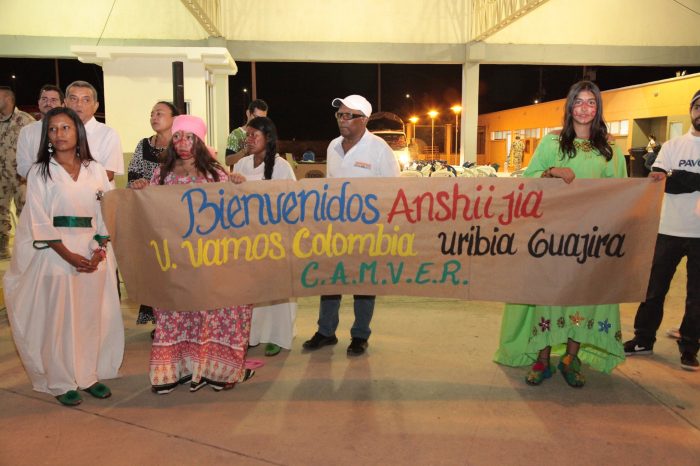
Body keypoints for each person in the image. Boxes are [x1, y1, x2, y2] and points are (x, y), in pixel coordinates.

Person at [493, 81, 628, 387]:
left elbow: (621, 190)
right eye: (578, 102)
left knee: (581, 296)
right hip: (552, 238)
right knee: (548, 296)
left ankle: (571, 358)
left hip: (590, 240)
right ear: (569, 107)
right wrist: (552, 172)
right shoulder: (551, 144)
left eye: (591, 103)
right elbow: (528, 181)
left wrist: (654, 182)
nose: (584, 108)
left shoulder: (609, 148)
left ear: (598, 108)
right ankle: (542, 360)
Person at [2, 107, 124, 406]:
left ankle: (87, 376)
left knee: (88, 317)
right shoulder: (40, 171)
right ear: (47, 136)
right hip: (56, 253)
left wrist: (98, 249)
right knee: (58, 319)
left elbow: (107, 209)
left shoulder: (95, 169)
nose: (59, 134)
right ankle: (59, 380)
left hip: (91, 250)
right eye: (53, 129)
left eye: (66, 128)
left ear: (77, 132)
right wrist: (68, 255)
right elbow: (38, 219)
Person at [131, 115, 255, 393]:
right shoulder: (161, 174)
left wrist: (237, 186)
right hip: (174, 262)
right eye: (177, 136)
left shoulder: (215, 173)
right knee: (176, 314)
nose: (182, 142)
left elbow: (233, 214)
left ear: (199, 141)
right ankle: (175, 372)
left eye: (189, 137)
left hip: (208, 262)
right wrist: (140, 191)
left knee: (210, 315)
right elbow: (149, 212)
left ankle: (216, 371)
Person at [302, 94, 401, 356]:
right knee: (330, 282)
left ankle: (359, 335)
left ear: (364, 119)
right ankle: (326, 332)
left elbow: (395, 192)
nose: (343, 120)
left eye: (349, 115)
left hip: (368, 232)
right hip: (334, 229)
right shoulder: (333, 147)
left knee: (364, 284)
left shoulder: (379, 149)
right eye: (340, 115)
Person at [623, 90, 700, 371]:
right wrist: (682, 180)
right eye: (698, 106)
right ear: (691, 109)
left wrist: (679, 177)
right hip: (668, 229)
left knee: (697, 297)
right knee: (654, 289)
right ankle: (643, 339)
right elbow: (661, 182)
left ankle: (690, 347)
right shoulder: (673, 146)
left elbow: (674, 180)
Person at [232, 116, 297, 357]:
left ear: (268, 138)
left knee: (277, 290)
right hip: (248, 238)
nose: (248, 140)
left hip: (275, 238)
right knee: (253, 290)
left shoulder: (281, 167)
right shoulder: (242, 165)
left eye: (253, 135)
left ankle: (278, 336)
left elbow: (291, 202)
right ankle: (253, 334)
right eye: (247, 135)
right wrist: (234, 183)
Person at [127, 101, 180, 332]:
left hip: (177, 221)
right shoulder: (143, 146)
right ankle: (161, 323)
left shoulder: (184, 144)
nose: (154, 117)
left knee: (176, 270)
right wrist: (137, 183)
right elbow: (132, 177)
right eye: (151, 114)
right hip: (150, 219)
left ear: (174, 118)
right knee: (155, 268)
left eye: (159, 113)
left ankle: (180, 319)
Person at [64, 81, 124, 185]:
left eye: (86, 100)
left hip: (96, 198)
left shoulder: (108, 134)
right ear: (65, 103)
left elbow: (108, 174)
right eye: (74, 99)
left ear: (95, 106)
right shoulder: (58, 134)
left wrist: (74, 186)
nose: (79, 104)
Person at [0, 86, 36, 259]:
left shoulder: (26, 121)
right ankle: (2, 247)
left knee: (25, 211)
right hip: (1, 177)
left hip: (21, 177)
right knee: (0, 212)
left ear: (8, 99)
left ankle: (27, 247)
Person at [17, 84, 65, 179]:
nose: (48, 103)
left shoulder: (71, 130)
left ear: (62, 105)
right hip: (37, 188)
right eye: (44, 99)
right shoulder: (27, 131)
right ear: (38, 103)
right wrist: (41, 180)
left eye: (53, 100)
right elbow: (22, 166)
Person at [226, 99, 268, 168]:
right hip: (242, 177)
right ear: (248, 113)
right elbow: (228, 161)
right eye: (256, 117)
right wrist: (246, 150)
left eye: (262, 119)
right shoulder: (236, 134)